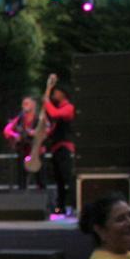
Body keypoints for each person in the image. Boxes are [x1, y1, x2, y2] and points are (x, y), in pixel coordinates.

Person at [43, 76, 76, 214]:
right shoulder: (60, 109)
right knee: (59, 180)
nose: (54, 95)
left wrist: (46, 100)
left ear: (62, 94)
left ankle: (75, 205)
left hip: (65, 148)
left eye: (56, 92)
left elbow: (54, 113)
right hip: (57, 148)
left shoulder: (68, 108)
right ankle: (60, 206)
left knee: (68, 177)